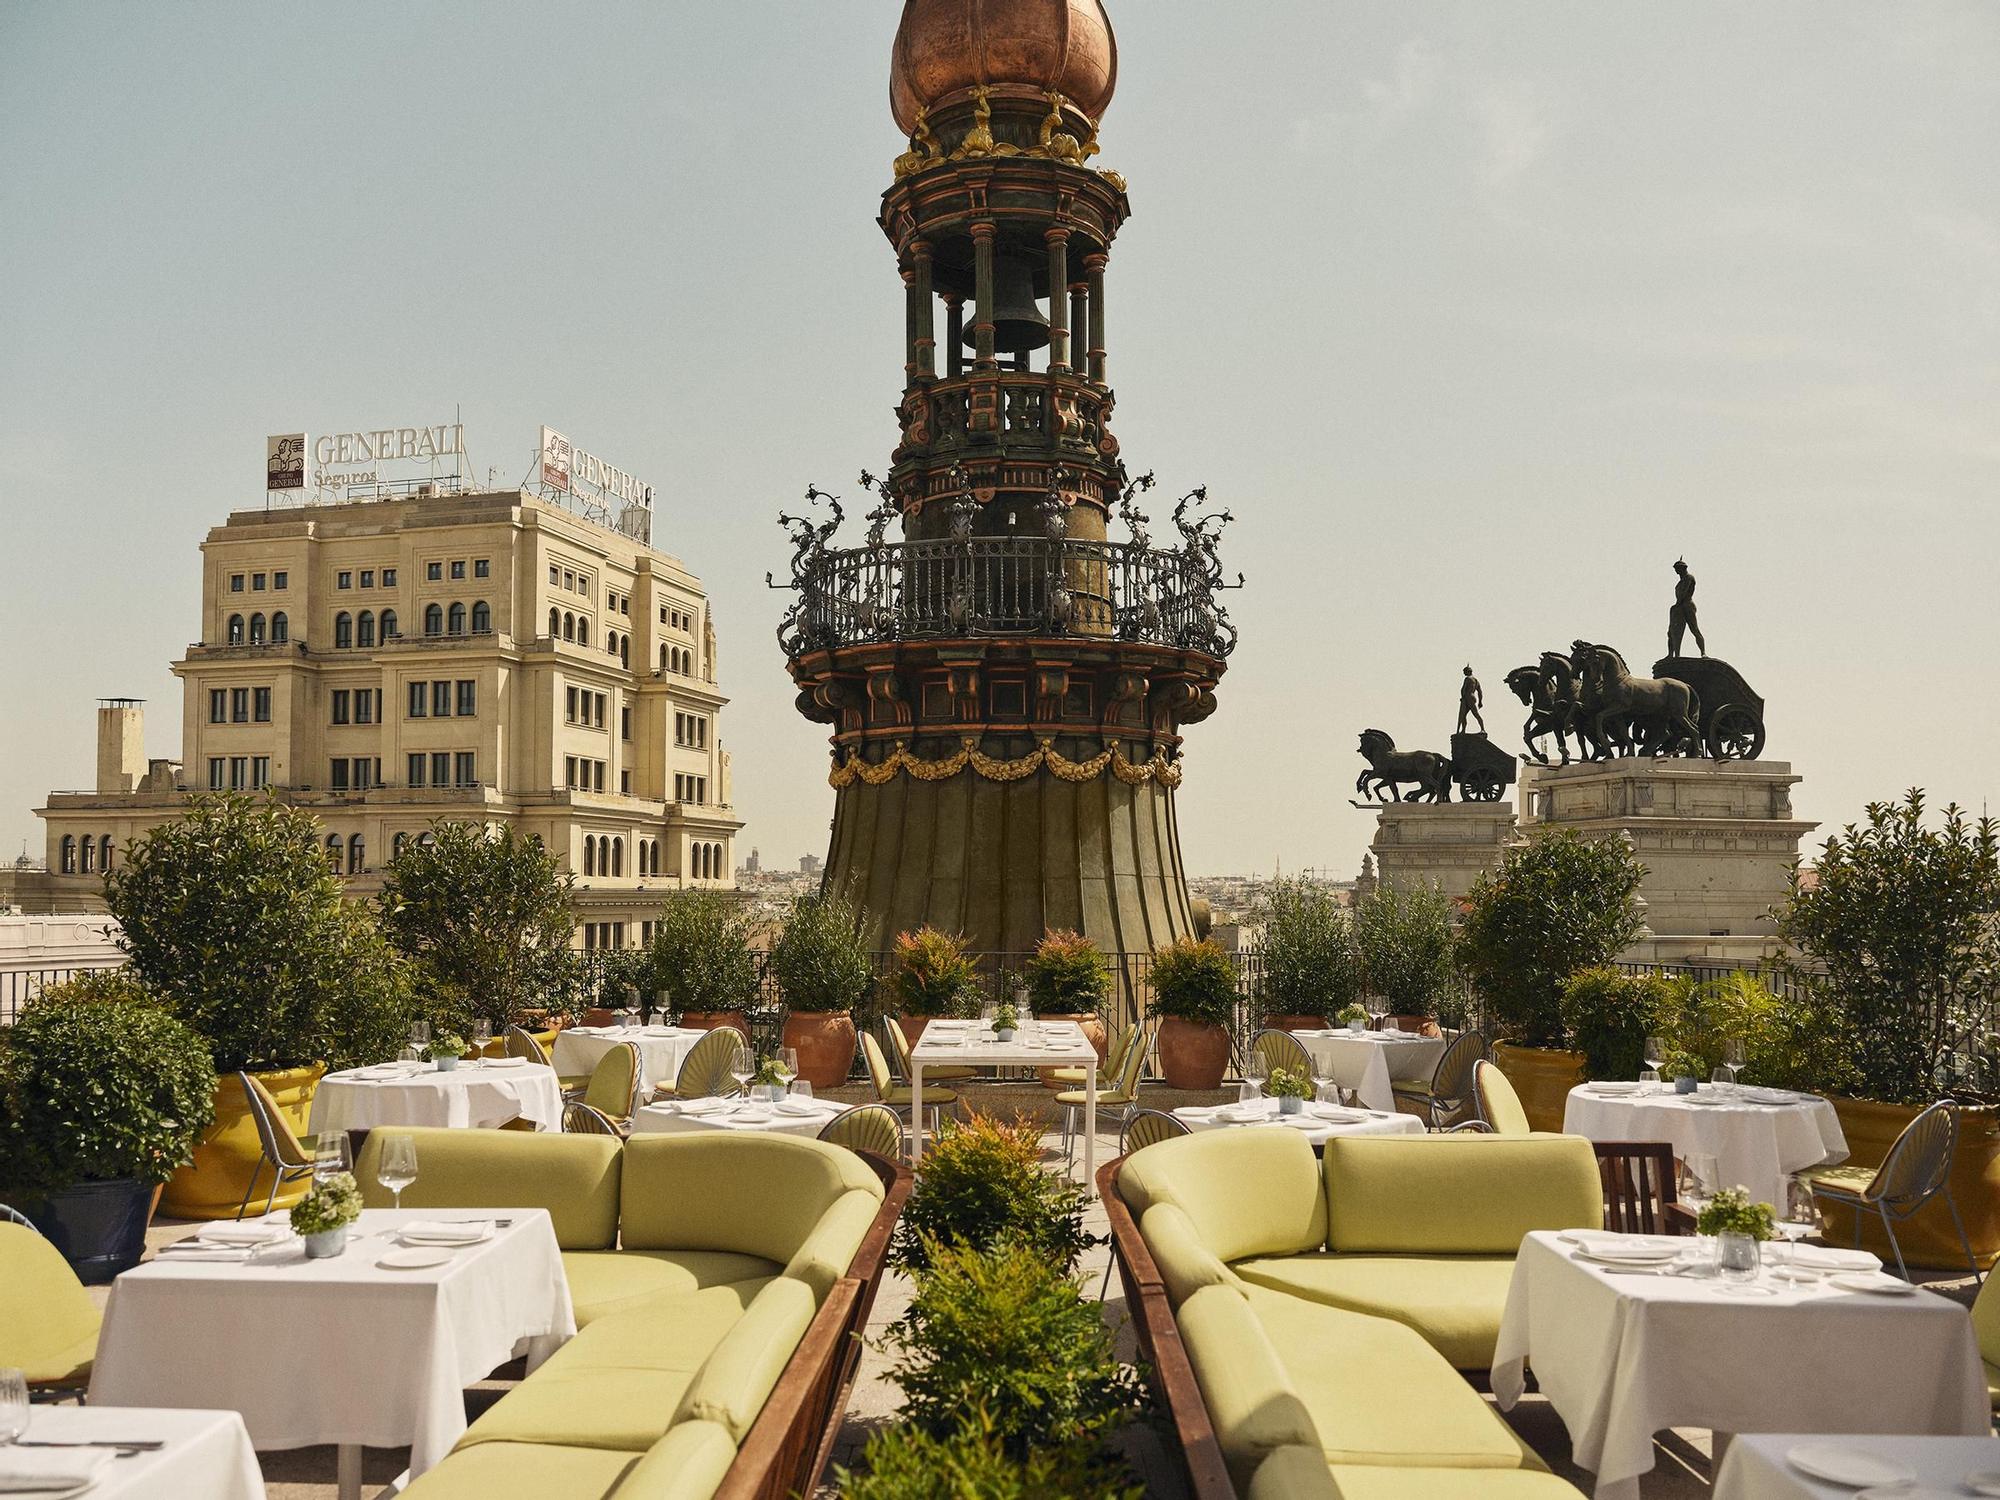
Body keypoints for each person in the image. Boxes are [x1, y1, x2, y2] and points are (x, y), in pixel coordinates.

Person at [1667, 558, 1706, 657]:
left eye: (1677, 568)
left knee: (1694, 629)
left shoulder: (1689, 578)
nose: (1676, 570)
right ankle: (1672, 654)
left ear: (1682, 568)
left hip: (1687, 605)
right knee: (1672, 631)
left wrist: (1677, 604)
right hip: (1679, 606)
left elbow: (1684, 593)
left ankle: (1703, 652)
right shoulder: (1679, 583)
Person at [1456, 665, 1485, 734]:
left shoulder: (1467, 678)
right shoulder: (1476, 680)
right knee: (1464, 715)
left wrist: (1462, 698)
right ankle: (1463, 730)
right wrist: (1480, 701)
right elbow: (1480, 692)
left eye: (1464, 672)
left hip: (1468, 698)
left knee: (1473, 714)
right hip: (1472, 697)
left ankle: (1482, 729)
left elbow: (1463, 689)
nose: (1464, 673)